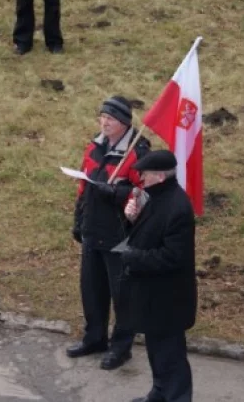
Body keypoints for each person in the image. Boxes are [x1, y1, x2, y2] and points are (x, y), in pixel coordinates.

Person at [68, 96, 150, 370]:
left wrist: (116, 193)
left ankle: (121, 347)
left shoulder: (138, 153)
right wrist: (79, 218)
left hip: (120, 237)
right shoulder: (94, 146)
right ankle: (95, 338)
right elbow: (83, 184)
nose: (104, 122)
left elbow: (144, 196)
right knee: (91, 290)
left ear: (125, 123)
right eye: (102, 117)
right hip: (93, 231)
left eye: (111, 119)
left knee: (122, 295)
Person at [119, 150, 198, 402]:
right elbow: (144, 234)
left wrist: (133, 257)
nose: (141, 178)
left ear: (160, 176)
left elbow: (173, 257)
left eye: (146, 174)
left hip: (169, 298)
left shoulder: (178, 207)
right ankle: (159, 393)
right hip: (153, 295)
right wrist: (131, 220)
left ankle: (176, 397)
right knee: (157, 351)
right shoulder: (154, 198)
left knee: (171, 355)